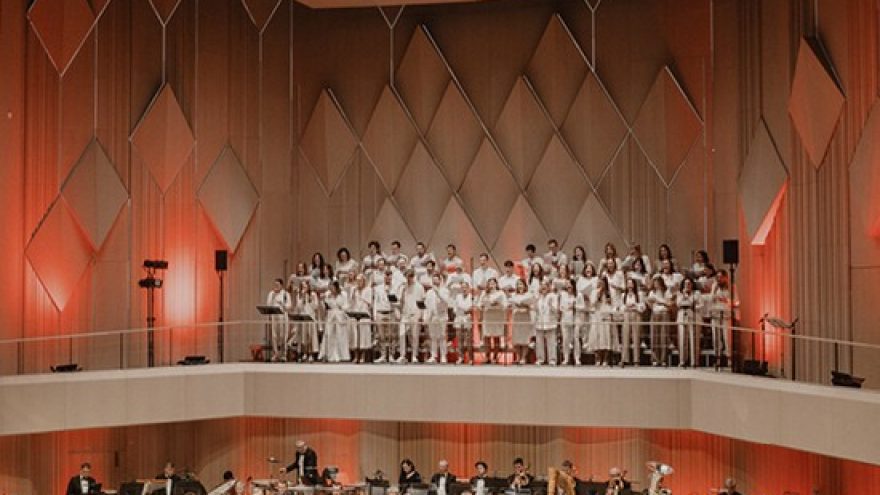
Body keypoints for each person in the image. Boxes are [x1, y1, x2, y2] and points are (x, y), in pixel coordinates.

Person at [397, 270, 426, 363]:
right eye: (406, 276)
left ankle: (414, 355)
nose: (408, 278)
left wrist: (422, 315)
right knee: (401, 334)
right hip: (405, 314)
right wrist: (402, 290)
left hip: (415, 314)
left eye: (410, 276)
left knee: (414, 336)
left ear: (413, 277)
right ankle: (402, 355)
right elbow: (400, 300)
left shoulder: (419, 287)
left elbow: (423, 301)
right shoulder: (403, 287)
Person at [425, 272, 452, 363]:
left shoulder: (445, 290)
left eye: (436, 280)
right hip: (432, 317)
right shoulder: (429, 292)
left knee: (442, 336)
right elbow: (427, 305)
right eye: (433, 280)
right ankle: (433, 356)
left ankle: (443, 356)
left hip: (442, 316)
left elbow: (446, 301)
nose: (434, 282)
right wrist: (426, 317)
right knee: (433, 337)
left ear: (440, 280)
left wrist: (438, 293)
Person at [478, 278, 507, 364]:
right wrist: (483, 305)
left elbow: (505, 305)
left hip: (497, 317)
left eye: (493, 283)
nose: (492, 285)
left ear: (496, 284)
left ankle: (495, 357)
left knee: (496, 337)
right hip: (487, 317)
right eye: (490, 283)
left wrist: (498, 303)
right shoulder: (484, 293)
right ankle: (487, 357)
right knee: (487, 337)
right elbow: (479, 304)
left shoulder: (501, 293)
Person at [646, 277, 672, 366]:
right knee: (654, 337)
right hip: (655, 313)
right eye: (654, 282)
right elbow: (650, 304)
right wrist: (652, 304)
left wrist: (658, 301)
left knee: (663, 336)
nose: (656, 284)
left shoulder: (666, 292)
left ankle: (663, 359)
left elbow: (669, 304)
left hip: (664, 313)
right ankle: (655, 359)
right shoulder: (652, 292)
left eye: (657, 282)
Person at [373, 270, 397, 363]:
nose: (387, 278)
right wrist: (375, 314)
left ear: (391, 278)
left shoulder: (395, 288)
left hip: (390, 312)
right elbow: (376, 301)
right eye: (386, 277)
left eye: (389, 277)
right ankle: (382, 355)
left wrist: (389, 293)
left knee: (391, 336)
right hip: (380, 312)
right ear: (384, 277)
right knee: (381, 336)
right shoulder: (378, 288)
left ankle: (391, 355)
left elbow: (397, 301)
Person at [591, 277, 616, 366]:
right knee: (597, 337)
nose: (601, 284)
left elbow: (613, 305)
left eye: (602, 283)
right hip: (597, 316)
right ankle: (598, 358)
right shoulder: (594, 292)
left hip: (606, 315)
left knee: (606, 337)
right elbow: (593, 304)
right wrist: (598, 295)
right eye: (599, 283)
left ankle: (605, 359)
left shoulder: (610, 292)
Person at [508, 279, 534, 365]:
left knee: (524, 338)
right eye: (518, 284)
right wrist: (513, 304)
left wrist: (526, 305)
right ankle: (518, 357)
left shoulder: (529, 295)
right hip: (517, 317)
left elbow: (532, 306)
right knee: (517, 338)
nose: (520, 286)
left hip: (525, 317)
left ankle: (523, 358)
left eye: (521, 284)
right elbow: (510, 305)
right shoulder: (513, 295)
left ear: (525, 286)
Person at [620, 278, 645, 367]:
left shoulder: (639, 294)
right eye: (628, 283)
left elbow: (643, 307)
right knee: (625, 337)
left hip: (636, 314)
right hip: (627, 314)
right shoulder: (623, 295)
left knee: (636, 337)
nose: (630, 285)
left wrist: (635, 305)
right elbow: (621, 307)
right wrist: (626, 307)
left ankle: (636, 360)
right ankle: (624, 359)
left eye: (631, 283)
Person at [266, 278, 292, 362]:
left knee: (283, 335)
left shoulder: (286, 294)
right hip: (274, 316)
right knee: (274, 335)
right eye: (275, 285)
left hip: (283, 316)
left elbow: (289, 306)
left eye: (277, 285)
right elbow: (268, 305)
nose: (276, 286)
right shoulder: (271, 293)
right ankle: (276, 354)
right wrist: (273, 298)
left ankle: (283, 354)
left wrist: (283, 304)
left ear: (281, 285)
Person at [323, 281, 350, 363]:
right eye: (330, 287)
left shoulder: (343, 294)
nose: (331, 289)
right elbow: (326, 306)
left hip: (340, 316)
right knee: (330, 335)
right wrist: (327, 299)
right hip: (331, 316)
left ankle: (343, 356)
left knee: (341, 336)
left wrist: (341, 308)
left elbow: (347, 305)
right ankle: (330, 355)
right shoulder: (327, 294)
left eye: (332, 287)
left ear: (336, 287)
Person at [534, 280, 559, 366]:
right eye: (542, 286)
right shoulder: (538, 297)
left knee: (551, 341)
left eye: (545, 286)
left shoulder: (553, 296)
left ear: (548, 287)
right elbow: (535, 309)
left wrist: (550, 305)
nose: (543, 287)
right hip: (539, 321)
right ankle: (540, 359)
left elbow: (556, 310)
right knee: (539, 341)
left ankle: (552, 359)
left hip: (550, 321)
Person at [676, 278, 699, 367]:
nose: (687, 285)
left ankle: (694, 361)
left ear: (692, 284)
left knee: (693, 339)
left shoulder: (696, 293)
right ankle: (682, 361)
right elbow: (678, 304)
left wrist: (689, 301)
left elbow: (697, 304)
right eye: (685, 283)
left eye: (689, 283)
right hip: (682, 315)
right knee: (682, 339)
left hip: (692, 316)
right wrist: (684, 295)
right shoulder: (680, 294)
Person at [558, 280, 581, 366]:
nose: (569, 287)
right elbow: (560, 307)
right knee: (565, 339)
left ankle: (577, 358)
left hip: (575, 319)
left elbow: (582, 307)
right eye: (567, 286)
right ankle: (566, 358)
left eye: (570, 285)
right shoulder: (563, 295)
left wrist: (575, 306)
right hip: (565, 319)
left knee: (576, 339)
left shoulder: (578, 295)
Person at [454, 282, 476, 364]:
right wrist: (460, 310)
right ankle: (460, 357)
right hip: (459, 318)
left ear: (468, 288)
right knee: (459, 340)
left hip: (468, 319)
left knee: (468, 340)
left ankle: (470, 358)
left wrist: (466, 310)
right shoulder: (458, 296)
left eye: (465, 287)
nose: (464, 289)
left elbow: (472, 308)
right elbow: (455, 308)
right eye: (462, 287)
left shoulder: (472, 297)